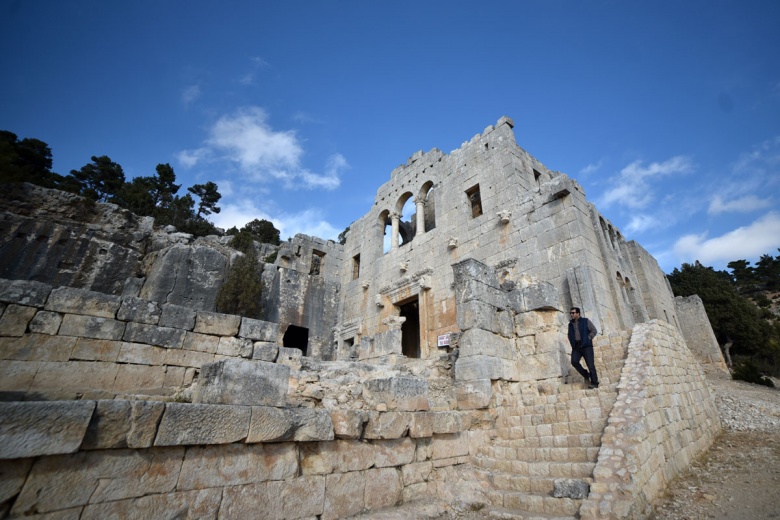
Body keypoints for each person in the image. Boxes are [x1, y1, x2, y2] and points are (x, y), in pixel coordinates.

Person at [567, 307, 599, 388]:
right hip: (576, 347)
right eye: (570, 313)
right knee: (574, 361)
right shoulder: (570, 324)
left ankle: (594, 383)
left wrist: (588, 338)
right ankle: (586, 374)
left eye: (573, 313)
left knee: (590, 364)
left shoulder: (586, 321)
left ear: (578, 313)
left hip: (586, 345)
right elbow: (569, 335)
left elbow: (594, 330)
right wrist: (572, 342)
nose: (571, 314)